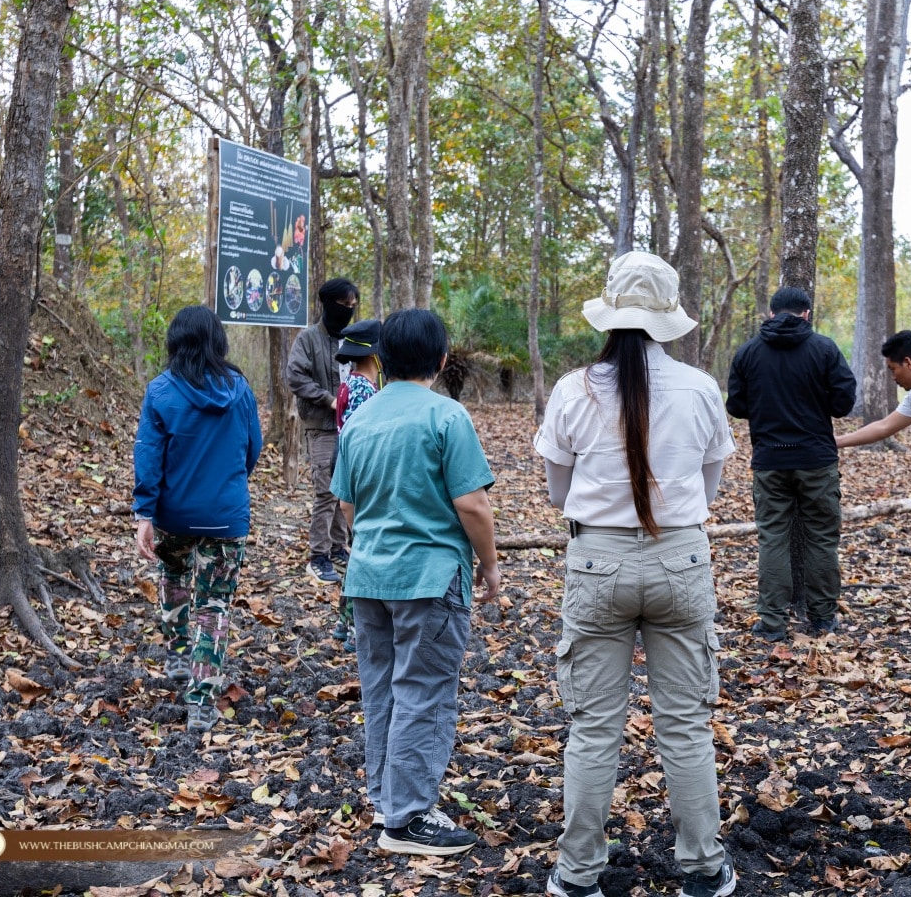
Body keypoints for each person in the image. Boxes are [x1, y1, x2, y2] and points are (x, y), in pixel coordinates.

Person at [535, 251, 738, 897]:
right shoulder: (701, 389)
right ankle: (703, 868)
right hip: (681, 559)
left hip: (597, 561)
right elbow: (709, 486)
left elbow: (556, 491)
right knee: (685, 724)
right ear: (666, 317)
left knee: (594, 727)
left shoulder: (573, 389)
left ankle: (577, 873)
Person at [332, 308, 501, 857]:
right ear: (442, 359)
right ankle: (406, 821)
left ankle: (387, 797)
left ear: (381, 359)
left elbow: (347, 504)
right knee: (423, 689)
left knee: (382, 686)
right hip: (429, 577)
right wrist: (491, 564)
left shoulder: (359, 420)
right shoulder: (446, 416)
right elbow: (472, 504)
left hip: (369, 576)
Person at [133, 306, 263, 734]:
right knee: (214, 604)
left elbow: (149, 457)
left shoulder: (161, 390)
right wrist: (227, 482)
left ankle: (176, 654)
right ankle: (202, 698)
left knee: (172, 575)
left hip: (174, 513)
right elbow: (252, 450)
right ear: (217, 342)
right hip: (225, 518)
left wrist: (145, 514)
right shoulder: (239, 389)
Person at [726, 286, 856, 641]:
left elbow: (736, 406)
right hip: (816, 459)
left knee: (772, 539)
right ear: (807, 313)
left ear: (771, 314)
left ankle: (771, 622)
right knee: (822, 540)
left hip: (770, 460)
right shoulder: (824, 349)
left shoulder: (749, 352)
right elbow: (844, 403)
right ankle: (822, 619)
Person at [286, 277, 358, 583]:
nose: (349, 311)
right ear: (328, 304)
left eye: (353, 306)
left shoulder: (352, 340)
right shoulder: (308, 339)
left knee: (345, 489)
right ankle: (318, 555)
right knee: (326, 491)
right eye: (343, 306)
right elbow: (295, 376)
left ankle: (339, 548)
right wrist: (329, 400)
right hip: (322, 427)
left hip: (351, 426)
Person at [330, 319, 383, 653]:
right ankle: (351, 627)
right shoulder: (364, 391)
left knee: (358, 549)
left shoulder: (350, 384)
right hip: (362, 480)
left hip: (350, 476)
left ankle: (342, 621)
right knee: (363, 550)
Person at [836, 330, 911, 449]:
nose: (893, 378)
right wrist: (836, 442)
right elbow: (884, 427)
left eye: (893, 369)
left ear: (908, 363)